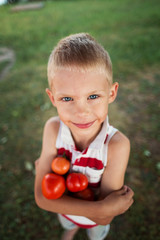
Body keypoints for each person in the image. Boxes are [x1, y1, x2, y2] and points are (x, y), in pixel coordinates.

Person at [34, 33, 134, 240]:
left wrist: (101, 213)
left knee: (96, 233)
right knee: (68, 222)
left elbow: (105, 219)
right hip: (67, 213)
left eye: (93, 96)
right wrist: (100, 209)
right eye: (67, 98)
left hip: (94, 223)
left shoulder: (117, 146)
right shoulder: (53, 130)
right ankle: (71, 228)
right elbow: (41, 199)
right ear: (53, 98)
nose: (81, 112)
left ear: (112, 93)